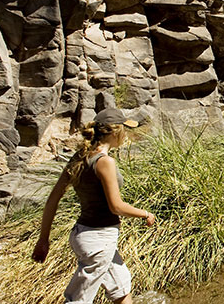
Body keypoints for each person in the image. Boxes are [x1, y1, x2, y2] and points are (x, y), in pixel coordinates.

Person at [31, 109, 156, 304]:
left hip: (83, 234)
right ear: (115, 132)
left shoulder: (80, 157)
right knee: (78, 300)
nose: (126, 134)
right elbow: (116, 206)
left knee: (120, 287)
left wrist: (43, 239)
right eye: (124, 129)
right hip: (99, 239)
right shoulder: (105, 162)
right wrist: (145, 214)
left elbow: (53, 199)